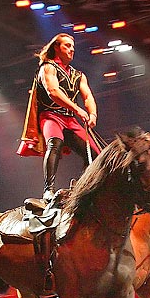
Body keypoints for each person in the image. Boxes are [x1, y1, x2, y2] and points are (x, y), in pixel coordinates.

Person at [17, 32, 105, 207]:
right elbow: (53, 92)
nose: (72, 50)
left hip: (70, 120)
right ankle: (48, 190)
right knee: (55, 142)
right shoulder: (47, 68)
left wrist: (93, 114)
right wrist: (78, 109)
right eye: (67, 46)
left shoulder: (78, 75)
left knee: (95, 154)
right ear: (56, 48)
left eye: (73, 47)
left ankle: (82, 188)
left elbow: (88, 96)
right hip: (51, 116)